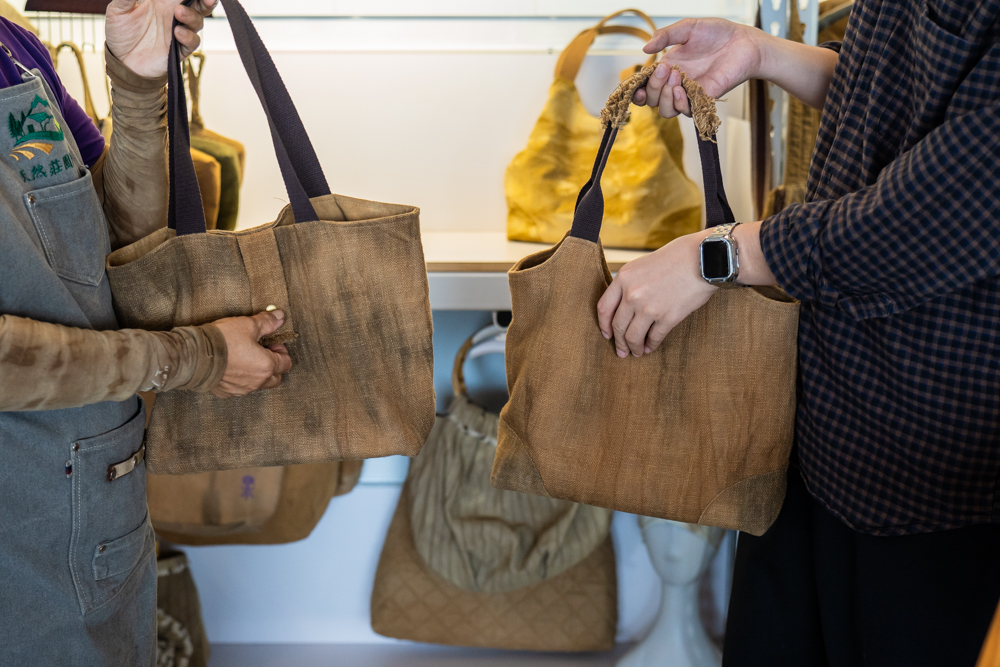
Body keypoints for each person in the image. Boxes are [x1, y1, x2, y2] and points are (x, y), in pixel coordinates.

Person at [598, 3, 1000, 665]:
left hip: (928, 470)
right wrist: (763, 54)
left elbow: (943, 207)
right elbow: (905, 99)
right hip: (815, 424)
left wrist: (718, 256)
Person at [0, 1, 294, 663]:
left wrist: (137, 78)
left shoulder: (12, 45)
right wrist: (195, 357)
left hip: (93, 498)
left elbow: (106, 240)